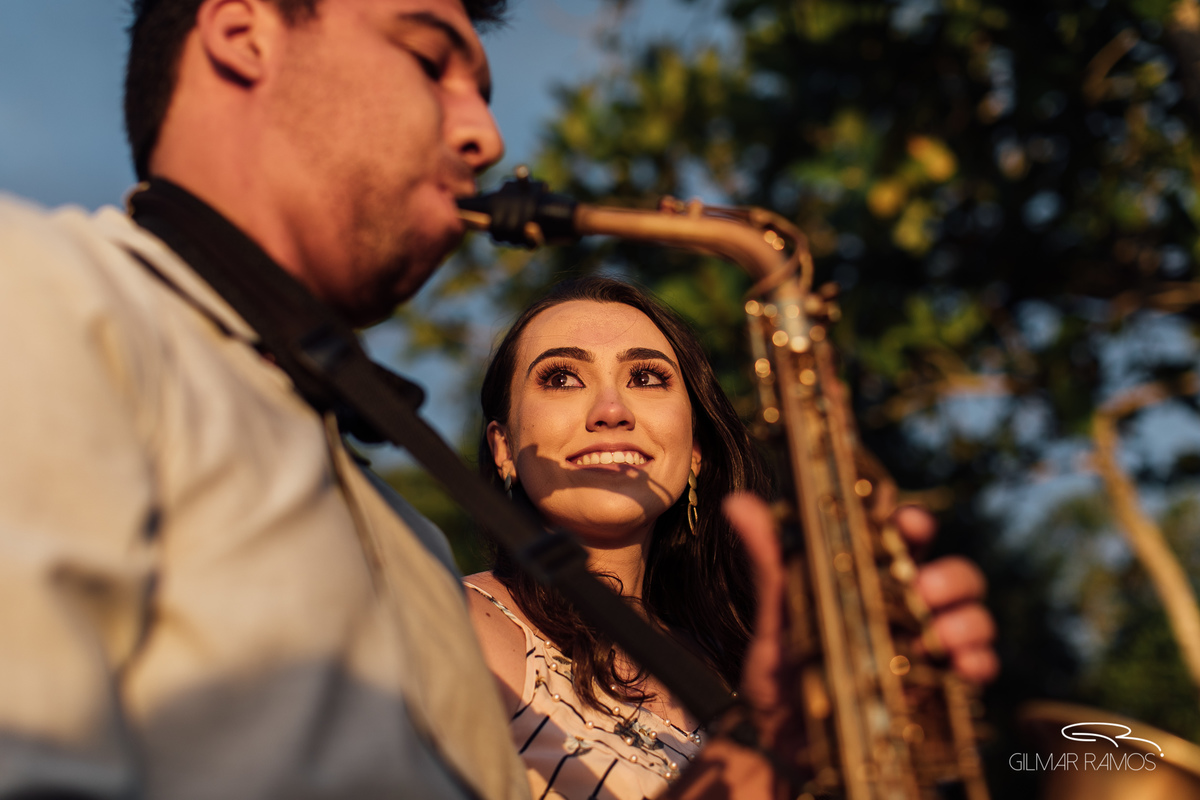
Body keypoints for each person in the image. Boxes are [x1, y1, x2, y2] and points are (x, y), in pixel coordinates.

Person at [0, 0, 992, 797]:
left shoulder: (406, 547)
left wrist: (759, 761)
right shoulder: (37, 289)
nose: (484, 132)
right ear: (243, 31)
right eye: (430, 58)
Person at [466, 278, 998, 799]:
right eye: (561, 378)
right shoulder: (461, 621)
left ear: (694, 449)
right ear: (503, 447)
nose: (612, 410)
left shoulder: (739, 660)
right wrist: (762, 749)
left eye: (647, 378)